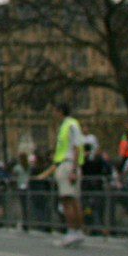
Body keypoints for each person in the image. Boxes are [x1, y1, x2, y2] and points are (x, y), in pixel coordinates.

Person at [45, 102, 86, 247]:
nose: (54, 114)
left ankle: (72, 232)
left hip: (67, 165)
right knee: (74, 200)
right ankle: (78, 231)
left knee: (67, 200)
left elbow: (76, 147)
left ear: (60, 111)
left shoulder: (70, 125)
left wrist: (73, 170)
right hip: (69, 164)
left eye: (55, 111)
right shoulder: (68, 125)